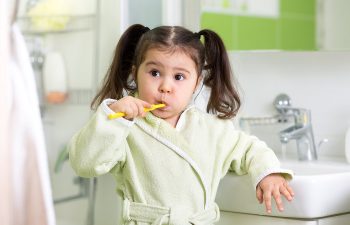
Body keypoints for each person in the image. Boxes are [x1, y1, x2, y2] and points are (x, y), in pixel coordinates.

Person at [68, 24, 294, 224]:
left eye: (179, 77)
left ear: (196, 83)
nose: (166, 86)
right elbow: (84, 163)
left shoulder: (213, 129)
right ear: (135, 74)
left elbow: (249, 149)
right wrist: (113, 117)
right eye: (155, 72)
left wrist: (268, 173)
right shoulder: (125, 127)